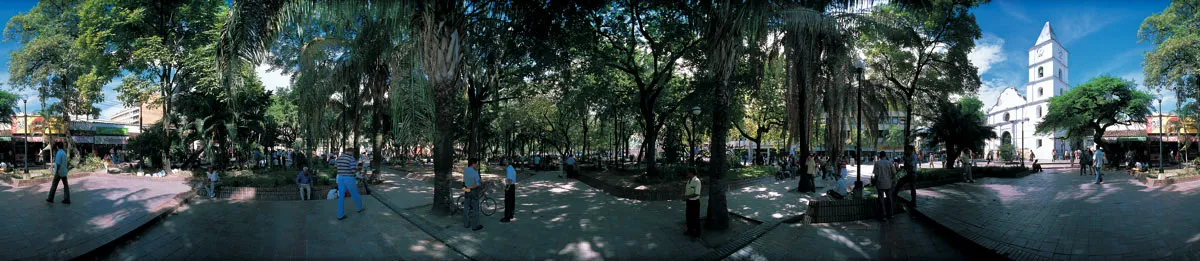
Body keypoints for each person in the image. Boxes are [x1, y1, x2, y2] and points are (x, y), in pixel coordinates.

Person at [335, 148, 365, 220]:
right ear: (351, 152)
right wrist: (359, 169)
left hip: (340, 178)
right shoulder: (351, 158)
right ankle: (359, 208)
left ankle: (340, 215)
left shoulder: (339, 158)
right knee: (355, 194)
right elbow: (353, 170)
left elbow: (335, 168)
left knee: (341, 196)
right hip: (349, 178)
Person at [462, 160, 484, 231]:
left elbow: (464, 181)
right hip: (473, 191)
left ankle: (466, 224)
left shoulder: (465, 170)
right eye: (476, 164)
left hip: (466, 190)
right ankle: (475, 225)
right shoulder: (475, 172)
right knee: (475, 209)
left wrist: (467, 188)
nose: (477, 165)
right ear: (473, 164)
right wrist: (470, 187)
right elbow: (478, 184)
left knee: (466, 207)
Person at [873, 152, 895, 220]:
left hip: (880, 183)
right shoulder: (889, 163)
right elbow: (894, 173)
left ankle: (883, 215)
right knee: (889, 198)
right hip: (888, 183)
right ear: (885, 156)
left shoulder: (877, 163)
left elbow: (876, 175)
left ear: (880, 156)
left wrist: (875, 182)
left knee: (881, 199)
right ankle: (891, 214)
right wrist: (892, 179)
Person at [684, 168, 702, 237]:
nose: (687, 174)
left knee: (695, 218)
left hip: (695, 202)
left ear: (691, 173)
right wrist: (685, 197)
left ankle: (697, 233)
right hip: (689, 202)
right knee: (688, 217)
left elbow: (697, 193)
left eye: (688, 172)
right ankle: (690, 230)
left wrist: (687, 197)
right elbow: (687, 190)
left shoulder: (697, 181)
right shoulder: (689, 181)